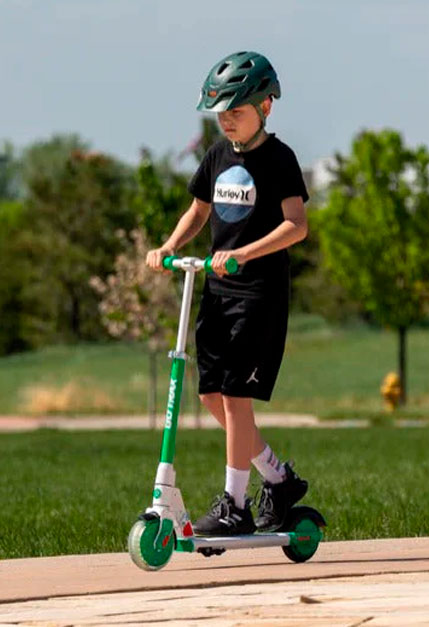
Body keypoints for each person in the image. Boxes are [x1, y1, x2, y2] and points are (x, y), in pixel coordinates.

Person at [145, 51, 310, 535]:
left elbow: (296, 226)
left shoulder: (280, 160)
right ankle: (277, 479)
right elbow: (197, 213)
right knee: (211, 396)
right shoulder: (217, 157)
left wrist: (247, 254)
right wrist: (169, 246)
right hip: (216, 293)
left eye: (235, 112)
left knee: (237, 397)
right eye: (220, 114)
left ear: (265, 107)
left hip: (257, 295)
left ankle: (234, 505)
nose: (227, 122)